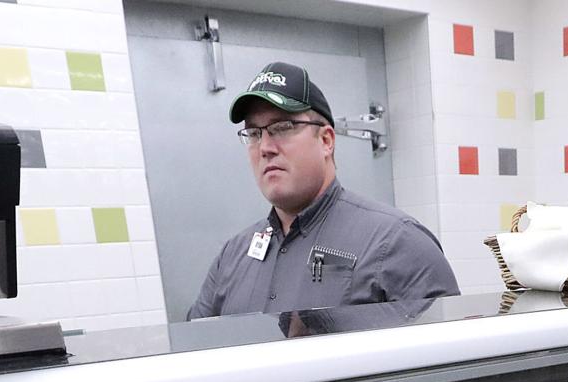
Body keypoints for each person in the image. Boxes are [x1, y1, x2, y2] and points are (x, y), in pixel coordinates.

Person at [188, 62, 459, 319]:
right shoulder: (232, 257)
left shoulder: (397, 243)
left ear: (326, 140)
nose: (265, 147)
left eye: (282, 127)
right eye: (254, 134)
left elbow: (449, 359)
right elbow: (194, 352)